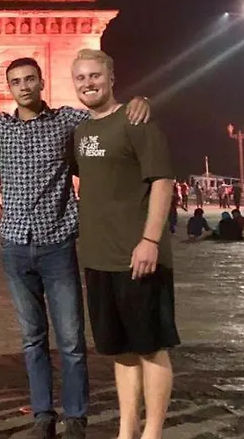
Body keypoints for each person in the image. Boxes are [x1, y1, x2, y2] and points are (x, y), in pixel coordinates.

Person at [0, 57, 149, 439]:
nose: (23, 86)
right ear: (9, 87)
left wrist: (139, 102)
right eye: (16, 81)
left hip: (57, 244)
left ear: (42, 82)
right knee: (32, 338)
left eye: (30, 79)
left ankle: (75, 417)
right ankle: (42, 416)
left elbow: (107, 117)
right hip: (15, 244)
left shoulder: (67, 121)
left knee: (72, 339)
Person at [70, 49, 178, 439]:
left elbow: (163, 181)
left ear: (111, 78)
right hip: (99, 256)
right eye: (81, 78)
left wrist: (150, 240)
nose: (88, 83)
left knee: (151, 346)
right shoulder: (81, 132)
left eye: (95, 75)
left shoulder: (137, 121)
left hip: (138, 256)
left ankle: (153, 432)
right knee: (122, 350)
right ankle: (127, 429)